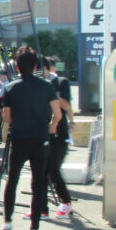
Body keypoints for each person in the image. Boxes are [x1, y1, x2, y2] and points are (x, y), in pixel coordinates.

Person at [0, 47, 61, 230]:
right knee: (38, 182)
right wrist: (52, 126)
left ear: (17, 67)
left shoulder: (10, 87)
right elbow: (58, 114)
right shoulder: (46, 86)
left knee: (12, 179)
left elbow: (7, 117)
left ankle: (7, 221)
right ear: (36, 66)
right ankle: (34, 228)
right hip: (40, 138)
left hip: (19, 138)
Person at [42, 55, 74, 219]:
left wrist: (50, 91)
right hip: (41, 133)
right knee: (41, 171)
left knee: (53, 169)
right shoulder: (36, 84)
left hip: (59, 133)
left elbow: (67, 105)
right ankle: (41, 208)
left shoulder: (61, 82)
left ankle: (66, 201)